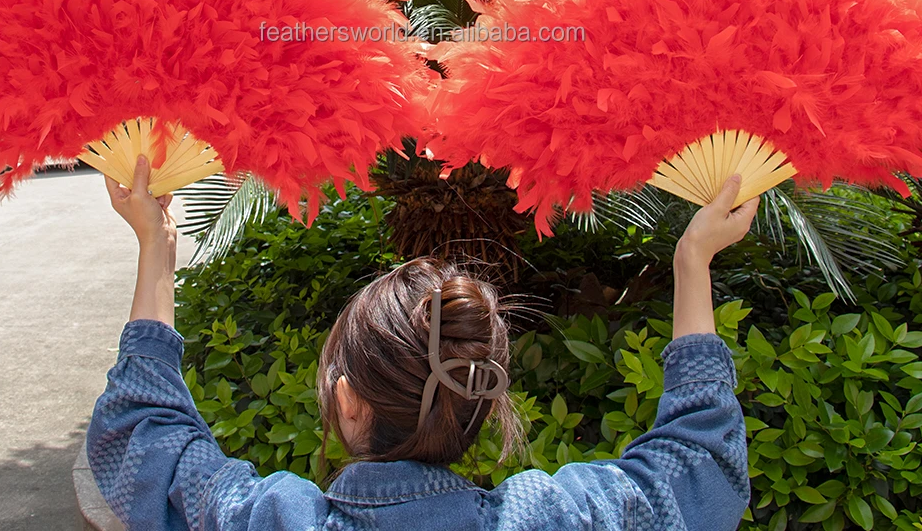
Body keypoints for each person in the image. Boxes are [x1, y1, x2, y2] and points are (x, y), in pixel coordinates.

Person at [88, 154, 758, 531]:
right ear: (478, 403)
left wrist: (159, 249)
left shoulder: (270, 520)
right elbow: (699, 465)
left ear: (347, 403)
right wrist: (692, 260)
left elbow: (145, 439)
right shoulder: (554, 519)